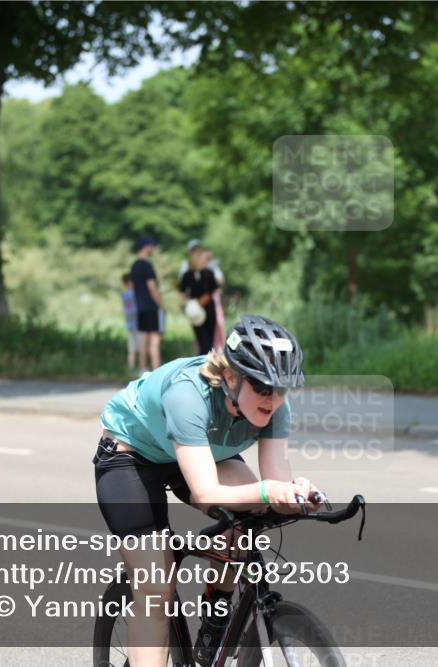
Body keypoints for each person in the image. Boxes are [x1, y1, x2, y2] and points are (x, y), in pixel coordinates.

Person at [93, 315, 319, 667]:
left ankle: (216, 615)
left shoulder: (275, 407)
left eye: (281, 389)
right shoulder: (188, 395)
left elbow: (274, 485)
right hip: (131, 456)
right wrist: (269, 490)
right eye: (261, 386)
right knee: (155, 588)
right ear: (230, 376)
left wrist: (299, 495)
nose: (272, 398)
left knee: (253, 512)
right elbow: (205, 493)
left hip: (198, 453)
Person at [130, 236, 163, 373]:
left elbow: (132, 287)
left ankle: (142, 369)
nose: (153, 248)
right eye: (152, 246)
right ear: (147, 246)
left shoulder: (134, 266)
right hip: (151, 306)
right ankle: (157, 371)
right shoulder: (147, 266)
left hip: (140, 307)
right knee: (155, 341)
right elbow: (152, 287)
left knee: (143, 339)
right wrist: (160, 303)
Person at [180, 245, 219, 354]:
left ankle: (208, 367)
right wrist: (190, 305)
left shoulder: (208, 273)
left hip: (209, 310)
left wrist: (196, 304)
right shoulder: (187, 275)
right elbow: (183, 292)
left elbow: (211, 292)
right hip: (196, 313)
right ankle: (202, 367)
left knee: (209, 343)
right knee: (203, 343)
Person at [120, 273, 138, 373]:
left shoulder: (124, 294)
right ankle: (137, 368)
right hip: (137, 325)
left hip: (130, 325)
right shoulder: (133, 294)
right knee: (137, 348)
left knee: (132, 349)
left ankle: (131, 368)